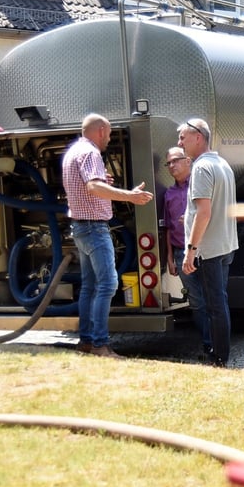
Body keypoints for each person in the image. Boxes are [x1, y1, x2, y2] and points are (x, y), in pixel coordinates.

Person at [62, 113, 153, 358]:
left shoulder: (74, 151)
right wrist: (130, 196)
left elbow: (88, 185)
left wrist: (105, 182)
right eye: (110, 133)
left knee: (89, 286)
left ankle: (86, 341)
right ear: (101, 130)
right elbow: (93, 187)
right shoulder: (91, 152)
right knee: (108, 284)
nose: (109, 139)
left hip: (80, 228)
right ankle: (101, 345)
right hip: (93, 228)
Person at [178, 118, 238, 368]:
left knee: (214, 305)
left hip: (210, 249)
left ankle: (219, 358)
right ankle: (218, 352)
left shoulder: (202, 168)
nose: (179, 143)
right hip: (225, 245)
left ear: (198, 137)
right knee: (219, 302)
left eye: (183, 137)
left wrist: (191, 251)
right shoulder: (222, 163)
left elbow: (203, 213)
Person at [161, 145, 211, 357]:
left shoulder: (200, 186)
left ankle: (219, 343)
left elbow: (210, 214)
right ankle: (209, 344)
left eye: (176, 160)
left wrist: (191, 220)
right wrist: (170, 259)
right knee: (197, 303)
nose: (172, 165)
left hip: (206, 251)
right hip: (182, 254)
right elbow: (168, 228)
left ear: (188, 161)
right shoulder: (169, 195)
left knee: (214, 298)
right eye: (169, 162)